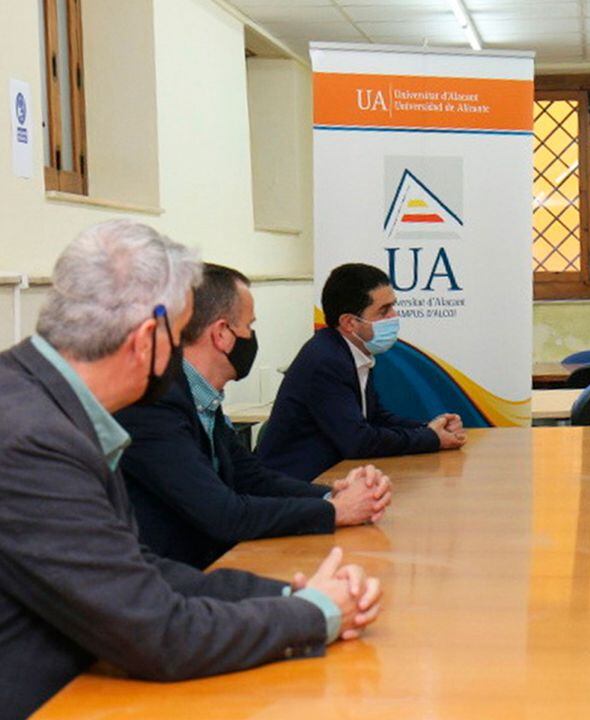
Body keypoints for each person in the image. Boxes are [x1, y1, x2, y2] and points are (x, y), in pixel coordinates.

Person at [0, 221, 381, 720]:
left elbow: (138, 570)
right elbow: (158, 634)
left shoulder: (44, 402)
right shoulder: (34, 439)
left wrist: (295, 594)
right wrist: (314, 614)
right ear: (146, 341)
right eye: (180, 339)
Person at [115, 264, 392, 569]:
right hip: (176, 579)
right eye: (249, 326)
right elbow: (223, 513)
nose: (252, 337)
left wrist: (331, 495)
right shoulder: (154, 404)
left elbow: (251, 477)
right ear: (222, 334)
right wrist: (336, 511)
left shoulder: (200, 395)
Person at [258, 263, 466, 482]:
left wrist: (429, 428)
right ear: (349, 322)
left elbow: (374, 417)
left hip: (330, 476)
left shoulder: (351, 351)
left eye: (393, 307)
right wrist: (432, 439)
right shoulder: (326, 360)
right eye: (384, 310)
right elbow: (358, 440)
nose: (394, 316)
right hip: (295, 486)